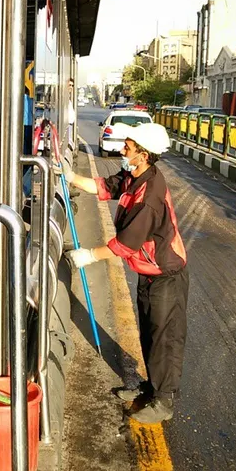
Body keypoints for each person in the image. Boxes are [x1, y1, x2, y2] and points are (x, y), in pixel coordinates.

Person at [63, 122, 188, 424]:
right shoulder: (135, 176)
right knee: (148, 332)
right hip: (149, 271)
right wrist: (70, 177)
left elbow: (125, 245)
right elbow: (106, 187)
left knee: (164, 338)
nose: (122, 149)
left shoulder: (149, 196)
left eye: (128, 146)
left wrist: (89, 255)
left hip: (166, 273)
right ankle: (151, 387)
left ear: (143, 155)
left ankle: (164, 400)